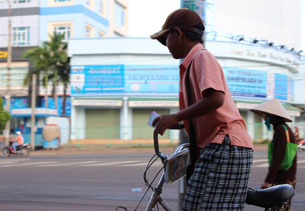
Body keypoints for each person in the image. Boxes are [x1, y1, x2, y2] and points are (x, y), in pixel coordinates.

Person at [150, 8, 253, 210]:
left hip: (226, 144)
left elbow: (215, 99)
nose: (166, 46)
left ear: (177, 34)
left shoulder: (201, 57)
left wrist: (176, 116)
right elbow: (204, 113)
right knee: (193, 205)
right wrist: (173, 121)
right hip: (217, 145)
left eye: (166, 39)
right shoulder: (191, 64)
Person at [251, 98, 297, 210]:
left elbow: (278, 157)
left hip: (283, 178)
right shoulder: (283, 128)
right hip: (285, 177)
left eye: (265, 115)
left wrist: (268, 180)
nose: (264, 118)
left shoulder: (281, 130)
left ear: (273, 116)